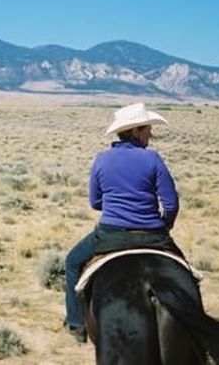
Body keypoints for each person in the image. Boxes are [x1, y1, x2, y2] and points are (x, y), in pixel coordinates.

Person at [64, 102, 184, 343]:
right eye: (148, 128)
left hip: (111, 234)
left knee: (72, 262)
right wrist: (164, 226)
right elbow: (170, 204)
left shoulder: (101, 159)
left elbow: (95, 202)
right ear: (136, 131)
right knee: (187, 274)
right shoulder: (153, 159)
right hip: (153, 235)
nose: (151, 133)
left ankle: (77, 323)